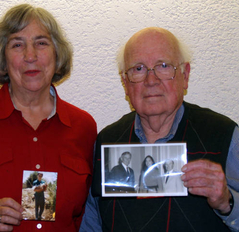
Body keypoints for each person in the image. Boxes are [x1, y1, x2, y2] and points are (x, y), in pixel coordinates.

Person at [0, 4, 97, 232]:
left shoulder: (84, 127)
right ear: (3, 57)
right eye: (17, 44)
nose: (30, 56)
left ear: (57, 53)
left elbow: (91, 216)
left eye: (41, 43)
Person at [80, 27, 239, 231]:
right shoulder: (107, 142)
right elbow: (91, 224)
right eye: (138, 69)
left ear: (185, 75)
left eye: (163, 66)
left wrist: (228, 203)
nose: (151, 80)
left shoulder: (224, 136)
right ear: (125, 82)